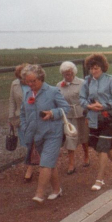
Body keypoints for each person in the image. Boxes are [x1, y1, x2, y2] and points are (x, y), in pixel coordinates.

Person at [20, 64, 70, 203]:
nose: (30, 84)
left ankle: (39, 193)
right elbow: (23, 113)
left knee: (45, 163)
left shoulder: (53, 91)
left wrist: (52, 113)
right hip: (36, 135)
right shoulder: (27, 93)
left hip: (53, 133)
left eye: (33, 81)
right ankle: (57, 189)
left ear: (41, 78)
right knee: (49, 163)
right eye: (27, 81)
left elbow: (66, 108)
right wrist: (25, 127)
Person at [80, 53, 112, 191]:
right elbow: (82, 99)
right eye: (91, 68)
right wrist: (89, 106)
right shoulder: (87, 81)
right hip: (94, 119)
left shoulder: (110, 80)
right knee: (104, 147)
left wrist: (103, 106)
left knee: (103, 147)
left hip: (109, 119)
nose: (94, 71)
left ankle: (99, 179)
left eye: (96, 68)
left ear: (102, 67)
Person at [57, 61, 89, 174]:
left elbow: (88, 98)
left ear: (74, 73)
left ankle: (86, 155)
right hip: (68, 116)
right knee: (70, 139)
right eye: (65, 74)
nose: (67, 76)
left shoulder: (82, 83)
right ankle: (71, 164)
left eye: (69, 74)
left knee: (84, 137)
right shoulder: (59, 85)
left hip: (81, 114)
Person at [9, 63, 34, 182]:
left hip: (34, 117)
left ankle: (30, 168)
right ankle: (33, 164)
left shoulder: (35, 83)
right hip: (21, 118)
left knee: (33, 142)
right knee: (26, 142)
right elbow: (12, 102)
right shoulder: (14, 84)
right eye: (21, 77)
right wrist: (11, 118)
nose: (23, 80)